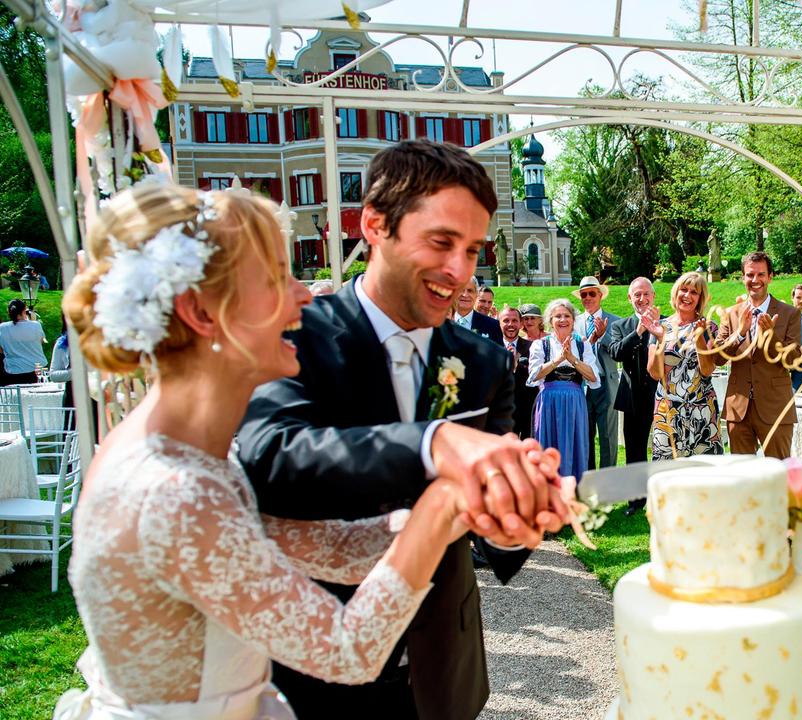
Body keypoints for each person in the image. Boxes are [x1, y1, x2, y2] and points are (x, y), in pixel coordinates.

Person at [56, 182, 561, 720]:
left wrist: (470, 507)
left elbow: (334, 551)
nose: (302, 294)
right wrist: (439, 502)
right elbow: (347, 649)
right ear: (201, 312)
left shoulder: (193, 461)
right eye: (275, 277)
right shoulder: (172, 490)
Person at [237, 140, 566, 720]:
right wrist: (431, 442)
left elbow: (492, 540)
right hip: (316, 662)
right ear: (375, 224)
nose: (460, 271)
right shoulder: (295, 337)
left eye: (472, 249)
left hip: (443, 664)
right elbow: (274, 455)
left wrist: (520, 517)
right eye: (441, 242)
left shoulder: (484, 362)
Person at [713, 251, 802, 458]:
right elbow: (717, 359)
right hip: (739, 409)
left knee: (777, 475)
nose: (755, 280)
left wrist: (770, 336)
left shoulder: (789, 313)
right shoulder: (731, 314)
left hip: (775, 408)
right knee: (743, 478)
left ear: (770, 277)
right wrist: (739, 333)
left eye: (761, 275)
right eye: (750, 275)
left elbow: (793, 360)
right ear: (743, 277)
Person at [646, 271, 722, 459]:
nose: (687, 296)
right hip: (667, 411)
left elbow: (707, 370)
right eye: (684, 290)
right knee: (667, 471)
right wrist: (661, 340)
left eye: (694, 292)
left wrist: (699, 340)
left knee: (704, 470)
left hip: (701, 409)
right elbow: (655, 373)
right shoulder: (660, 326)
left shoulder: (709, 327)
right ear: (676, 292)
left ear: (700, 298)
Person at [602, 277, 659, 514]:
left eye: (646, 294)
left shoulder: (667, 323)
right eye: (637, 294)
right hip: (633, 396)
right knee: (635, 449)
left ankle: (662, 496)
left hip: (662, 396)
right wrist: (638, 331)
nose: (642, 299)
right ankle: (636, 500)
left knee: (662, 449)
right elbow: (616, 353)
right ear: (630, 298)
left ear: (654, 297)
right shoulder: (620, 326)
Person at [527, 298, 600, 483]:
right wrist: (558, 360)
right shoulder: (540, 345)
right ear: (550, 321)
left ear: (573, 320)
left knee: (574, 445)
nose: (562, 319)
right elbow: (534, 376)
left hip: (575, 401)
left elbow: (593, 378)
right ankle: (548, 491)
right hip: (549, 401)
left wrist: (573, 359)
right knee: (548, 444)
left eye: (566, 315)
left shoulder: (583, 345)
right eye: (557, 316)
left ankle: (572, 492)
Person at [572, 276, 619, 470]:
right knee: (585, 434)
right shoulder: (573, 323)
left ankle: (608, 482)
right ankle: (589, 480)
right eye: (584, 294)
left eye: (592, 293)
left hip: (606, 384)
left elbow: (619, 352)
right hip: (582, 385)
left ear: (600, 295)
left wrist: (603, 336)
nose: (588, 298)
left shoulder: (615, 321)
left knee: (608, 435)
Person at [499, 306, 537, 439]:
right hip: (500, 413)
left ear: (521, 324)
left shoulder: (533, 347)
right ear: (499, 323)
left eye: (514, 321)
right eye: (506, 320)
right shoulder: (491, 347)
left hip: (527, 412)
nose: (510, 324)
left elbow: (536, 376)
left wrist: (517, 366)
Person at [0, 299, 46, 385]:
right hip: (36, 370)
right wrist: (32, 320)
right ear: (24, 311)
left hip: (12, 371)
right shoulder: (36, 325)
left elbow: (1, 350)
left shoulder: (2, 328)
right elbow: (40, 343)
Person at [452, 276, 502, 345]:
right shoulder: (439, 323)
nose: (465, 295)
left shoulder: (493, 325)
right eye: (461, 290)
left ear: (476, 295)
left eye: (470, 291)